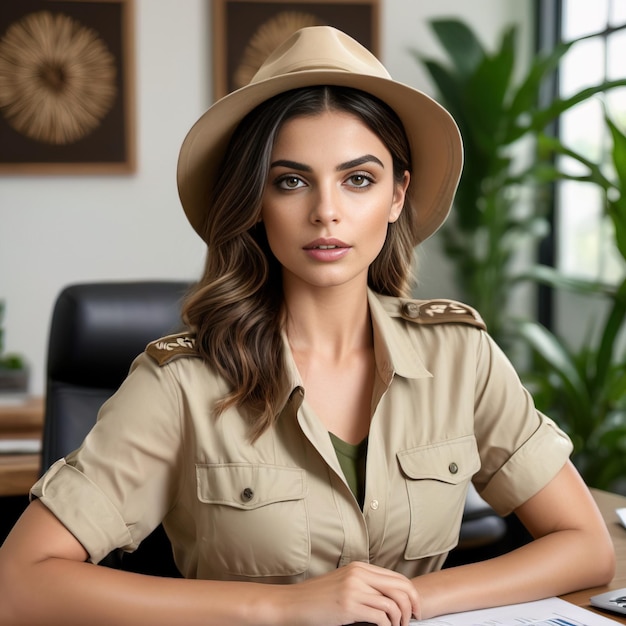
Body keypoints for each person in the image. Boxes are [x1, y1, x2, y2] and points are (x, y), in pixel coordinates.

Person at [0, 26, 614, 626]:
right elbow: (18, 584)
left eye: (359, 179)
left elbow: (585, 544)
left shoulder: (459, 354)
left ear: (398, 195)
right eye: (291, 181)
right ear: (254, 201)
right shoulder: (180, 383)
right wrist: (288, 608)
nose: (326, 212)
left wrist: (412, 600)